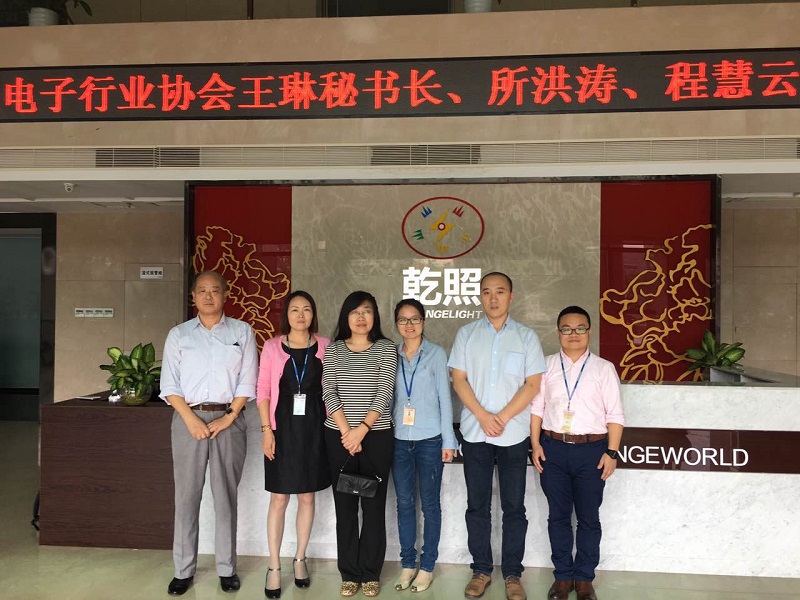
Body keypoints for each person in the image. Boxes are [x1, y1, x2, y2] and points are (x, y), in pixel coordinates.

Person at [159, 270, 258, 596]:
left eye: (215, 290)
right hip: (188, 420)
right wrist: (191, 420)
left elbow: (248, 380)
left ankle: (227, 569)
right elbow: (169, 384)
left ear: (225, 295)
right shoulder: (179, 335)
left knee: (225, 497)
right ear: (193, 296)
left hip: (229, 420)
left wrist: (229, 417)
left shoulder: (242, 332)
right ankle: (183, 570)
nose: (208, 296)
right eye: (202, 290)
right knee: (186, 497)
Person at [448, 272, 546, 600]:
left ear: (511, 297)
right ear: (480, 296)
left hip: (513, 434)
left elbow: (532, 384)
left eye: (500, 292)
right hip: (475, 433)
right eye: (487, 292)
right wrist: (482, 416)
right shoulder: (466, 334)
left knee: (514, 507)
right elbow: (459, 379)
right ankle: (481, 570)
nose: (493, 298)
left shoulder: (526, 337)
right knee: (477, 505)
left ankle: (513, 574)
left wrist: (501, 418)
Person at [530, 306, 625, 600]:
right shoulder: (545, 366)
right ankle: (562, 577)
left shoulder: (603, 368)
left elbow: (615, 414)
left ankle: (584, 578)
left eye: (580, 328)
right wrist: (535, 445)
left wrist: (612, 453)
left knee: (588, 518)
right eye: (567, 329)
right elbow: (537, 409)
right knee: (558, 517)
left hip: (592, 451)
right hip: (553, 449)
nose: (574, 334)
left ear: (589, 331)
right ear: (558, 332)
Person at [256, 291, 331, 599]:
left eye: (307, 309)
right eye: (295, 309)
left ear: (313, 314)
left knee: (307, 497)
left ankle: (300, 558)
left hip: (315, 430)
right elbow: (262, 390)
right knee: (279, 498)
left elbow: (332, 387)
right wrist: (266, 431)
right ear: (286, 315)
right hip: (282, 429)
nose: (301, 315)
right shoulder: (272, 346)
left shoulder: (325, 345)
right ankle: (274, 566)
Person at [322, 291, 397, 598]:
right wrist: (347, 433)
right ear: (346, 317)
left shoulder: (386, 348)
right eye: (355, 312)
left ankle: (370, 572)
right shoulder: (334, 349)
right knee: (345, 508)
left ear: (374, 316)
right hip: (339, 438)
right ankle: (349, 573)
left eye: (367, 311)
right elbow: (328, 391)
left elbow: (385, 391)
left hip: (375, 437)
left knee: (374, 507)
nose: (361, 317)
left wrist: (361, 431)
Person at [391, 299, 458, 594]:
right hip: (398, 439)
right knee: (404, 503)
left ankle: (427, 565)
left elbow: (445, 398)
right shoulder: (391, 355)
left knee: (430, 504)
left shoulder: (436, 353)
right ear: (396, 324)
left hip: (430, 439)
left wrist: (448, 440)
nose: (409, 325)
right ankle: (408, 563)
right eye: (403, 320)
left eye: (415, 319)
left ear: (424, 321)